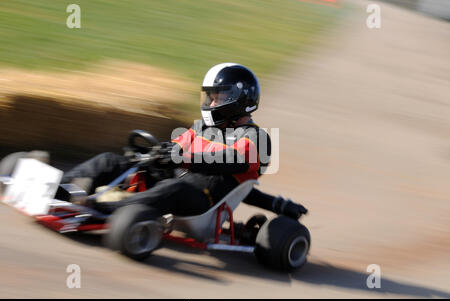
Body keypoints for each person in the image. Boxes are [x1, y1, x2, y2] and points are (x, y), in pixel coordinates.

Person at [60, 63, 307, 219]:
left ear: (240, 100)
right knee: (110, 161)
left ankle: (101, 209)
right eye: (209, 97)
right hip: (174, 184)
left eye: (218, 98)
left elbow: (228, 164)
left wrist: (277, 205)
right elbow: (174, 151)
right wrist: (154, 155)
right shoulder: (201, 127)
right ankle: (62, 189)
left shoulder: (257, 139)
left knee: (172, 188)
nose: (210, 104)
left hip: (202, 200)